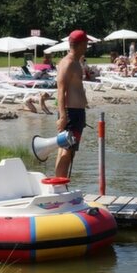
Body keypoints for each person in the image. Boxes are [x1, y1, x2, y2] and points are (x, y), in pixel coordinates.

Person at [55, 30, 89, 178]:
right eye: (86, 43)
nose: (87, 46)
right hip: (70, 113)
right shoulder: (67, 63)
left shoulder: (76, 62)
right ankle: (58, 187)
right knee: (66, 151)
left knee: (68, 151)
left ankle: (60, 184)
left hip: (77, 112)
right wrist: (63, 116)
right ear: (81, 44)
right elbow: (61, 90)